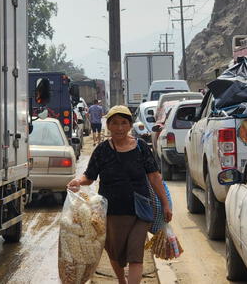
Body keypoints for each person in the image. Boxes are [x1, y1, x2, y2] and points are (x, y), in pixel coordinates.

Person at [67, 105, 172, 284]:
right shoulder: (102, 150)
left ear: (130, 125)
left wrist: (165, 203)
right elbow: (90, 176)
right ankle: (121, 280)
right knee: (115, 253)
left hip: (140, 210)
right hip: (110, 212)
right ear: (108, 125)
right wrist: (78, 181)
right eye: (115, 123)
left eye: (124, 123)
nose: (120, 127)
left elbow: (154, 177)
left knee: (135, 253)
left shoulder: (141, 148)